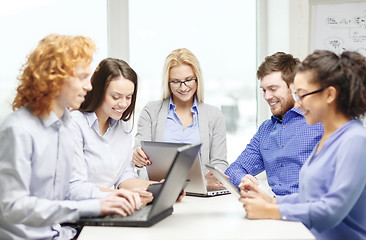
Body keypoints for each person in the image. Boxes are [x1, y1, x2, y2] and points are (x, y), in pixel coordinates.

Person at [0, 34, 141, 240]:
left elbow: (70, 188)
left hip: (62, 233)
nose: (89, 86)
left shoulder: (64, 125)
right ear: (54, 78)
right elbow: (12, 206)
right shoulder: (18, 129)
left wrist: (112, 197)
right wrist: (95, 205)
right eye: (82, 77)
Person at [240, 50, 366, 239]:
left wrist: (270, 210)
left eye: (302, 95)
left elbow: (330, 211)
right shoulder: (329, 136)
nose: (297, 105)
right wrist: (272, 201)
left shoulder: (355, 140)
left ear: (329, 94)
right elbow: (311, 197)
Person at [225, 52, 323, 196]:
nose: (266, 96)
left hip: (308, 212)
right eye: (264, 90)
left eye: (273, 89)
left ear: (294, 86)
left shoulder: (319, 123)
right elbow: (234, 169)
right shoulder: (266, 129)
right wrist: (243, 179)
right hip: (275, 210)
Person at [132, 48, 229, 187]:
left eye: (188, 80)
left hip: (201, 195)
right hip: (159, 191)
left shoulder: (214, 115)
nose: (183, 88)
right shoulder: (151, 111)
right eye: (176, 82)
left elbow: (220, 163)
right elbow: (139, 155)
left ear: (197, 79)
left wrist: (208, 180)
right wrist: (137, 157)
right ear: (168, 82)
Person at [70, 58, 154, 205]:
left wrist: (155, 189)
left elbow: (124, 175)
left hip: (111, 207)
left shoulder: (123, 126)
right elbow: (75, 188)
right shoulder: (74, 125)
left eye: (129, 97)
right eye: (116, 97)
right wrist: (123, 196)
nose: (123, 104)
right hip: (80, 213)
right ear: (98, 92)